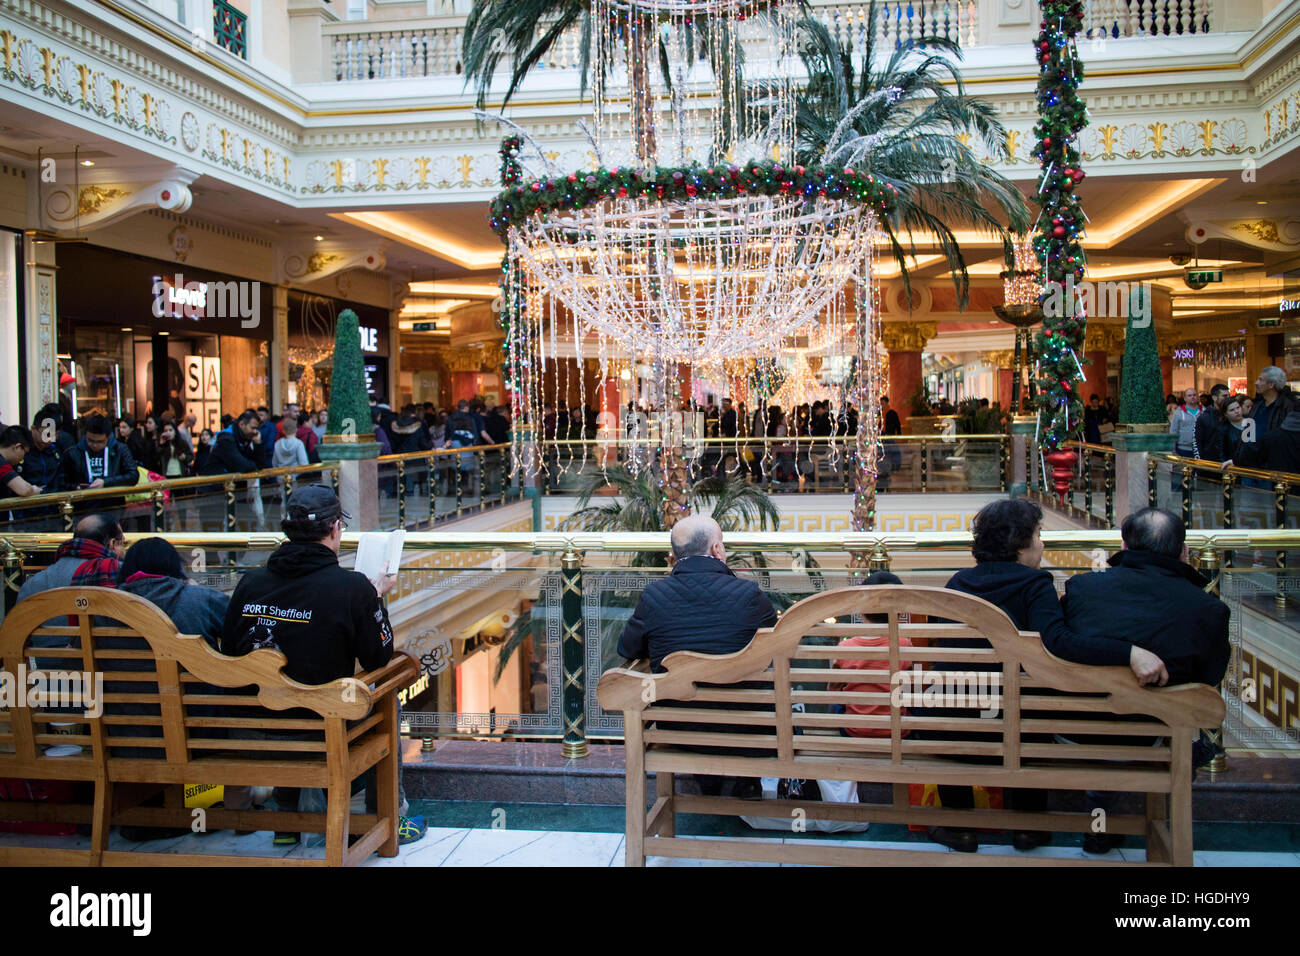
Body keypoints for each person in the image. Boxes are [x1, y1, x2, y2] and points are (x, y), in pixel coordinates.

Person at [927, 498, 1165, 855]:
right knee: (1029, 709)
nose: (1042, 543)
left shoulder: (957, 582)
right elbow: (1060, 643)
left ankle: (959, 826)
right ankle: (1028, 828)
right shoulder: (1035, 584)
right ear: (1019, 541)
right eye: (1039, 534)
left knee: (957, 699)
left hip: (949, 729)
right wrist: (1128, 652)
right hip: (1015, 730)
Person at [219, 485, 425, 846]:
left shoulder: (250, 583)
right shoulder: (351, 588)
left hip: (250, 731)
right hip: (320, 733)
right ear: (333, 529)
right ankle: (389, 817)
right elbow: (378, 658)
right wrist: (374, 598)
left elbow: (231, 652)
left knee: (281, 694)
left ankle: (288, 819)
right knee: (384, 699)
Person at [1060, 508, 1231, 853]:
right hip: (1150, 740)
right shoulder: (1207, 609)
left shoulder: (1082, 589)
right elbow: (1208, 681)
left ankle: (1100, 823)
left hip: (1072, 731)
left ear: (1124, 544)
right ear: (1183, 553)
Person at [617, 514, 777, 668]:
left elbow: (628, 648)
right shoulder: (750, 594)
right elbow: (774, 644)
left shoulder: (653, 596)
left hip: (675, 695)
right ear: (717, 549)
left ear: (674, 555)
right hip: (741, 694)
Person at [832, 570, 912, 738]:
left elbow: (833, 689)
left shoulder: (845, 647)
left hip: (855, 732)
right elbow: (910, 687)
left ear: (861, 610)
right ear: (899, 612)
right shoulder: (904, 644)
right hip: (896, 732)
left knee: (838, 705)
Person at [117, 538, 228, 647]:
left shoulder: (108, 603)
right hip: (194, 665)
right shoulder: (202, 599)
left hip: (123, 665)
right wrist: (195, 592)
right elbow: (239, 630)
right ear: (175, 565)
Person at [17, 514, 126, 603]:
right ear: (112, 544)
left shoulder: (32, 585)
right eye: (123, 543)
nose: (124, 551)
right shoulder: (121, 575)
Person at [61, 414, 139, 489]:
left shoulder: (120, 449)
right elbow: (63, 482)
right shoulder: (73, 453)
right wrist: (76, 487)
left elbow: (133, 476)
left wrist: (106, 482)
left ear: (108, 437)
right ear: (85, 435)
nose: (94, 445)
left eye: (100, 442)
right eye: (90, 440)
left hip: (112, 500)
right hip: (84, 500)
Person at [198, 409, 260, 475]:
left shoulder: (243, 439)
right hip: (216, 482)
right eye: (253, 428)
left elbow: (260, 464)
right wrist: (254, 465)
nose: (255, 432)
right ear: (241, 424)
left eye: (257, 428)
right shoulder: (226, 440)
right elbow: (241, 466)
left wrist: (258, 444)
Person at [21, 412, 65, 494]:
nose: (51, 439)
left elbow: (61, 482)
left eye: (56, 434)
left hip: (53, 502)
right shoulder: (22, 451)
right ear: (33, 429)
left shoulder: (55, 451)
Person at [1250, 366, 1294, 442]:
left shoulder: (1286, 407)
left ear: (1271, 385)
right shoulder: (1257, 405)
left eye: (1260, 380)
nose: (1256, 383)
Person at [0, 426, 41, 498]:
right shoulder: (1, 463)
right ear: (17, 447)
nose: (23, 458)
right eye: (25, 453)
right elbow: (24, 489)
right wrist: (33, 490)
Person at [1195, 385, 1230, 463]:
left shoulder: (1230, 416)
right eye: (1224, 396)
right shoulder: (1204, 418)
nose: (1228, 398)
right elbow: (1197, 443)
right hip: (1209, 464)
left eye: (1228, 396)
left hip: (1228, 463)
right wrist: (1201, 463)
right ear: (1214, 397)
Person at [1168, 387, 1199, 459]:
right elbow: (1173, 430)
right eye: (1189, 395)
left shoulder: (1204, 411)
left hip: (1200, 448)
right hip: (1183, 449)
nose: (1192, 397)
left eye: (1194, 395)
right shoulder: (1178, 412)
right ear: (1185, 398)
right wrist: (1173, 448)